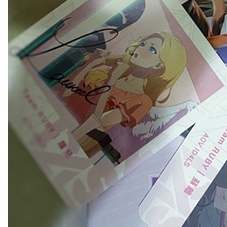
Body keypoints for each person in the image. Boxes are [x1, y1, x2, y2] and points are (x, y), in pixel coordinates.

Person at [66, 32, 187, 161]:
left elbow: (93, 124)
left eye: (152, 49)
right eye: (142, 44)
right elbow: (66, 92)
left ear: (158, 65)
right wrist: (92, 62)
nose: (140, 48)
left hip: (70, 141)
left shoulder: (142, 100)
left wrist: (110, 82)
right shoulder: (108, 73)